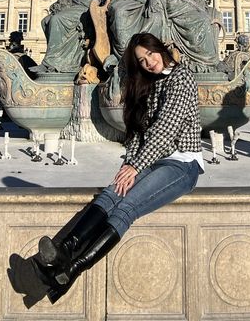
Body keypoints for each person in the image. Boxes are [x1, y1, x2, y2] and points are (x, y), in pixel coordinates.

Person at [23, 32, 202, 304]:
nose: (149, 63)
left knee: (126, 206)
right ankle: (62, 255)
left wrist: (135, 165)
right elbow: (137, 133)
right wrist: (129, 164)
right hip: (153, 159)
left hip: (182, 163)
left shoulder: (182, 77)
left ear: (161, 50)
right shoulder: (149, 84)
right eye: (141, 61)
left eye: (150, 55)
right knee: (111, 194)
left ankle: (71, 270)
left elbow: (166, 129)